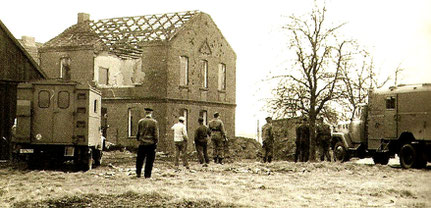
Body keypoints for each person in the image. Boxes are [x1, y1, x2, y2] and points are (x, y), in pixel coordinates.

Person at [135, 108, 159, 178]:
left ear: (145, 113)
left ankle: (138, 173)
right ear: (151, 113)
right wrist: (156, 142)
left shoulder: (140, 121)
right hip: (151, 144)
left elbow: (138, 133)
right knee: (149, 160)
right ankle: (147, 175)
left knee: (140, 159)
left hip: (142, 144)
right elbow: (156, 134)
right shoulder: (154, 122)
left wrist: (139, 139)